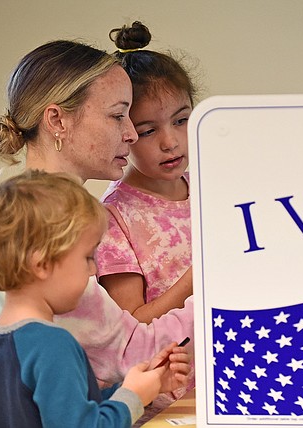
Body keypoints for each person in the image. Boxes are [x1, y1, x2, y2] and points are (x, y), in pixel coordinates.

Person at [0, 39, 194, 428]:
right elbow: (132, 353)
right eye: (118, 116)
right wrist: (220, 287)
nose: (132, 134)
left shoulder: (15, 206)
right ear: (57, 121)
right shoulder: (47, 230)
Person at [0, 170, 191, 428]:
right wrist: (133, 396)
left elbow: (67, 411)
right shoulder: (53, 344)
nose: (93, 270)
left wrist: (142, 389)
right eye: (88, 257)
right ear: (42, 263)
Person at [95, 21, 197, 425]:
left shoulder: (212, 186)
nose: (170, 142)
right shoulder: (113, 217)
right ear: (124, 131)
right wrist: (197, 278)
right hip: (163, 405)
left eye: (182, 120)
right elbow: (133, 325)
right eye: (148, 130)